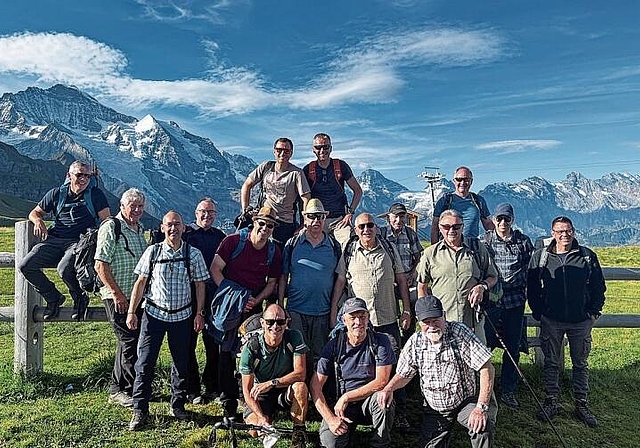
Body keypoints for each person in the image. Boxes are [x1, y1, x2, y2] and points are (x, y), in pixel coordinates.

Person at [126, 211, 210, 431]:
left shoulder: (194, 254)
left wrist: (199, 313)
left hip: (183, 317)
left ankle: (178, 406)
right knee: (144, 363)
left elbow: (201, 284)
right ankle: (139, 410)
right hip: (153, 316)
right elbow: (140, 282)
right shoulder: (152, 252)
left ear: (183, 228)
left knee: (181, 363)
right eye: (169, 225)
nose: (173, 229)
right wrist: (132, 312)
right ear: (162, 228)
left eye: (177, 225)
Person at [378, 295, 497, 448]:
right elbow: (404, 374)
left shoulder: (459, 332)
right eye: (426, 322)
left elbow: (487, 367)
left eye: (436, 320)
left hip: (464, 402)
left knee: (483, 426)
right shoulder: (415, 342)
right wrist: (389, 388)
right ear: (419, 323)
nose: (432, 326)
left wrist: (481, 407)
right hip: (435, 409)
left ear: (444, 316)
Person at [331, 213, 412, 429]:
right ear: (356, 230)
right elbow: (340, 283)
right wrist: (333, 315)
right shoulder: (349, 252)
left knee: (396, 367)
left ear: (376, 228)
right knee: (358, 366)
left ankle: (399, 411)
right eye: (361, 226)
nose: (366, 230)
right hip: (359, 323)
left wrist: (406, 310)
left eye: (370, 225)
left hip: (387, 319)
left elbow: (401, 279)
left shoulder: (388, 248)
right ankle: (355, 407)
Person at [527, 216, 606, 428]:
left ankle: (581, 403)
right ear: (552, 233)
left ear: (574, 231)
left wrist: (593, 312)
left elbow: (599, 286)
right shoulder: (541, 257)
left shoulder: (586, 256)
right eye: (560, 231)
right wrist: (539, 312)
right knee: (551, 362)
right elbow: (532, 288)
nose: (565, 235)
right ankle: (551, 401)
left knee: (580, 363)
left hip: (581, 320)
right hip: (551, 319)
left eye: (568, 231)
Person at [209, 206, 283, 417]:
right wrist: (231, 294)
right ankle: (227, 401)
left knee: (248, 354)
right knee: (225, 352)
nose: (265, 229)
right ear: (254, 222)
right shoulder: (233, 242)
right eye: (262, 223)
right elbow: (215, 268)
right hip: (229, 306)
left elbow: (272, 283)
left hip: (252, 308)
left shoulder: (273, 251)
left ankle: (247, 398)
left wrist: (255, 301)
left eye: (270, 226)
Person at [19, 160, 110, 320]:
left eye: (87, 176)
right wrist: (38, 220)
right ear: (69, 175)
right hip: (54, 239)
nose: (83, 179)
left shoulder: (95, 195)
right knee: (26, 266)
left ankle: (79, 298)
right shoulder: (56, 193)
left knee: (64, 268)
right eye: (79, 175)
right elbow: (34, 213)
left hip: (80, 242)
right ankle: (53, 297)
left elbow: (106, 221)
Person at [310, 297, 396, 448]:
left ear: (368, 318)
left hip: (369, 402)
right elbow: (315, 386)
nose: (358, 322)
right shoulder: (333, 346)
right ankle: (344, 434)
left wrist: (347, 396)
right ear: (344, 320)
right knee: (331, 443)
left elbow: (381, 381)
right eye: (352, 317)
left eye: (362, 317)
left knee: (383, 399)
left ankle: (380, 443)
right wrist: (330, 419)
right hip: (341, 406)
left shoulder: (381, 341)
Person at [94, 188, 148, 408]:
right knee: (128, 341)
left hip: (135, 297)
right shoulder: (111, 227)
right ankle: (123, 390)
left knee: (130, 341)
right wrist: (117, 294)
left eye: (140, 206)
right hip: (118, 296)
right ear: (122, 205)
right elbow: (100, 265)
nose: (136, 210)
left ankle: (122, 387)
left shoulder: (138, 228)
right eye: (132, 205)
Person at [480, 203, 534, 409]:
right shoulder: (484, 241)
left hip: (515, 302)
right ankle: (485, 387)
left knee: (512, 347)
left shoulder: (523, 242)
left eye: (507, 219)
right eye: (499, 219)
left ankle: (508, 390)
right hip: (491, 302)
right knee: (485, 346)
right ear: (493, 220)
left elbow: (532, 269)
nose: (503, 223)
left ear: (512, 220)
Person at [279, 198, 340, 376]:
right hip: (296, 310)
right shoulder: (292, 244)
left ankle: (318, 393)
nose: (316, 221)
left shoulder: (334, 246)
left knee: (320, 356)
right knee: (297, 354)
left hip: (322, 310)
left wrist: (334, 309)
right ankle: (299, 395)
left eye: (320, 217)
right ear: (305, 219)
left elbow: (339, 280)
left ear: (324, 219)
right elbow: (283, 277)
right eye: (312, 217)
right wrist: (282, 306)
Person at [417, 209, 498, 343]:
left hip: (472, 321)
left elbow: (493, 276)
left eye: (456, 226)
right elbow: (422, 288)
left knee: (478, 362)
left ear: (462, 226)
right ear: (439, 227)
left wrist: (482, 287)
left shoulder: (477, 248)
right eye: (446, 227)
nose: (451, 230)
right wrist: (426, 316)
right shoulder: (430, 254)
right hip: (442, 322)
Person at [377, 202, 423, 429]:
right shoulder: (381, 234)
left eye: (402, 217)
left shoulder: (411, 235)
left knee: (413, 312)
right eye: (395, 217)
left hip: (406, 282)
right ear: (388, 218)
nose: (398, 221)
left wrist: (412, 273)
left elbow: (419, 257)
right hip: (387, 283)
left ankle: (409, 347)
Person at [238, 304, 309, 447]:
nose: (275, 326)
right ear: (262, 323)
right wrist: (261, 417)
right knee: (255, 431)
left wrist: (272, 383)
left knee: (301, 387)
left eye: (280, 322)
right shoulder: (251, 348)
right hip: (260, 394)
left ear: (286, 322)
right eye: (270, 322)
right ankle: (266, 418)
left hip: (284, 389)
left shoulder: (294, 337)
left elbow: (301, 374)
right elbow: (247, 391)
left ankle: (299, 431)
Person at [183, 198, 226, 404]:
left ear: (215, 215)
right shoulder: (186, 234)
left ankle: (212, 386)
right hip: (189, 296)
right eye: (203, 211)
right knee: (189, 343)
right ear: (196, 212)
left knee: (213, 343)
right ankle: (191, 389)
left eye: (211, 212)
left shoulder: (220, 236)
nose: (207, 215)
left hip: (214, 297)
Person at [240, 137, 311, 247]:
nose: (282, 153)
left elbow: (306, 198)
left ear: (291, 153)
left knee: (279, 256)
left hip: (284, 223)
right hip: (265, 218)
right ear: (274, 151)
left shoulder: (296, 173)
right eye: (279, 150)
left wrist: (304, 224)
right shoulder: (266, 167)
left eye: (286, 151)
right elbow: (247, 185)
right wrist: (245, 209)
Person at [302, 133, 363, 233]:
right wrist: (304, 221)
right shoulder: (308, 169)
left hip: (339, 220)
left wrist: (350, 213)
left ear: (331, 148)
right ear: (313, 150)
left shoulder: (340, 166)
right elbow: (304, 197)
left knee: (346, 243)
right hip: (316, 220)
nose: (322, 151)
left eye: (325, 147)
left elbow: (358, 191)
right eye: (318, 147)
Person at [430, 166, 493, 244]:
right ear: (454, 181)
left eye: (466, 179)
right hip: (448, 249)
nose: (462, 183)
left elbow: (488, 224)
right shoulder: (445, 201)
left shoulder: (478, 201)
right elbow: (435, 228)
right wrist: (434, 251)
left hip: (472, 248)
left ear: (471, 181)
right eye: (459, 179)